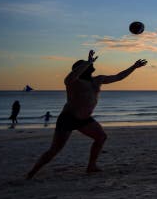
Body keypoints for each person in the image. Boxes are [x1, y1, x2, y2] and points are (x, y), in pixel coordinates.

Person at [27, 50, 147, 178]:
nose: (92, 65)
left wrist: (134, 67)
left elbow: (118, 77)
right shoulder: (74, 82)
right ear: (81, 69)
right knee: (54, 150)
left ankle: (91, 166)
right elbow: (70, 77)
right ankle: (32, 173)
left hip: (85, 120)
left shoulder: (98, 80)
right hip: (68, 118)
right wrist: (87, 62)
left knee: (101, 137)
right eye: (87, 65)